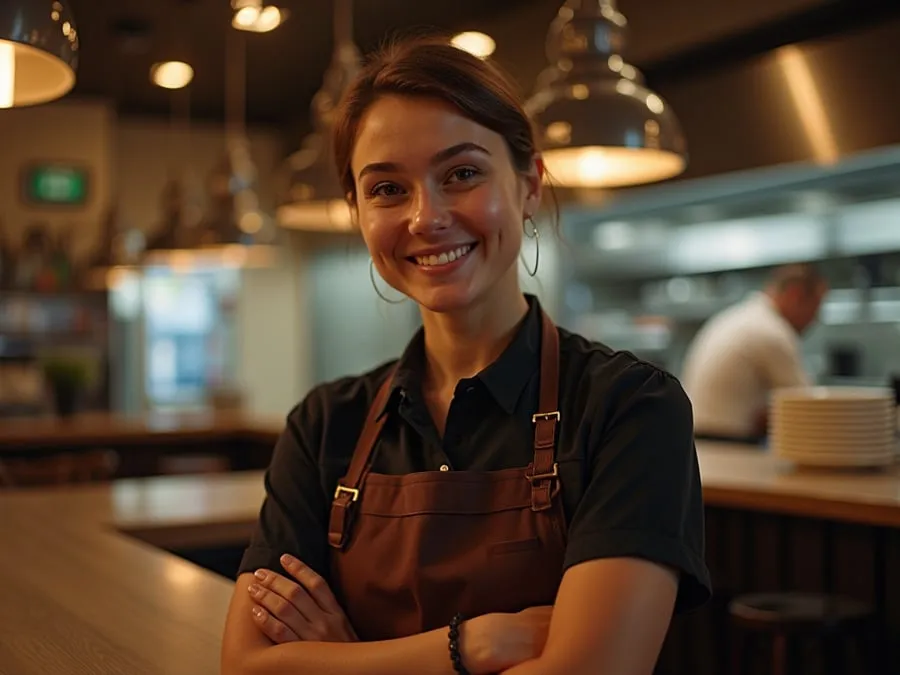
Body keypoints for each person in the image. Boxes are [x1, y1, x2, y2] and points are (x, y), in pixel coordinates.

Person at [221, 36, 711, 675]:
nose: (426, 218)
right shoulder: (323, 425)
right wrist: (468, 646)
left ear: (530, 184)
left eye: (462, 174)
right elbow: (245, 665)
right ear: (358, 213)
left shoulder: (629, 409)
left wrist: (349, 661)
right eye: (388, 189)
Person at [681, 263, 828, 443]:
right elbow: (808, 408)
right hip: (727, 445)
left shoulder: (741, 316)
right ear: (795, 295)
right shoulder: (771, 330)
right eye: (816, 307)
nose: (814, 319)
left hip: (697, 442)